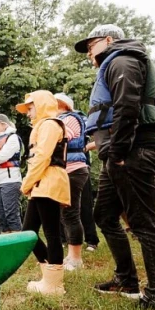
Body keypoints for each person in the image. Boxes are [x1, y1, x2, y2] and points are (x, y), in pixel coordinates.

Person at [75, 23, 155, 310]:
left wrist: (117, 151)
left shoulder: (122, 59)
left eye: (91, 46)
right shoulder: (115, 61)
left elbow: (127, 105)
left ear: (108, 40)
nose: (88, 54)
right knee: (104, 215)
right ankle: (126, 280)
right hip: (117, 153)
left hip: (132, 149)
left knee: (143, 222)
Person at [15, 91, 71, 295]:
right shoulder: (42, 125)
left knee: (51, 233)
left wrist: (26, 183)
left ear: (41, 105)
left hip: (48, 181)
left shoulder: (49, 124)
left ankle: (55, 284)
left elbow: (43, 158)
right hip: (42, 182)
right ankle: (50, 277)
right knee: (28, 233)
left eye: (30, 108)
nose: (28, 113)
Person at [54, 92, 90, 271]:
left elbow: (62, 137)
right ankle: (70, 255)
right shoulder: (60, 120)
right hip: (66, 171)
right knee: (65, 214)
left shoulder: (68, 119)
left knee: (70, 213)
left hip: (73, 170)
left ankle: (76, 259)